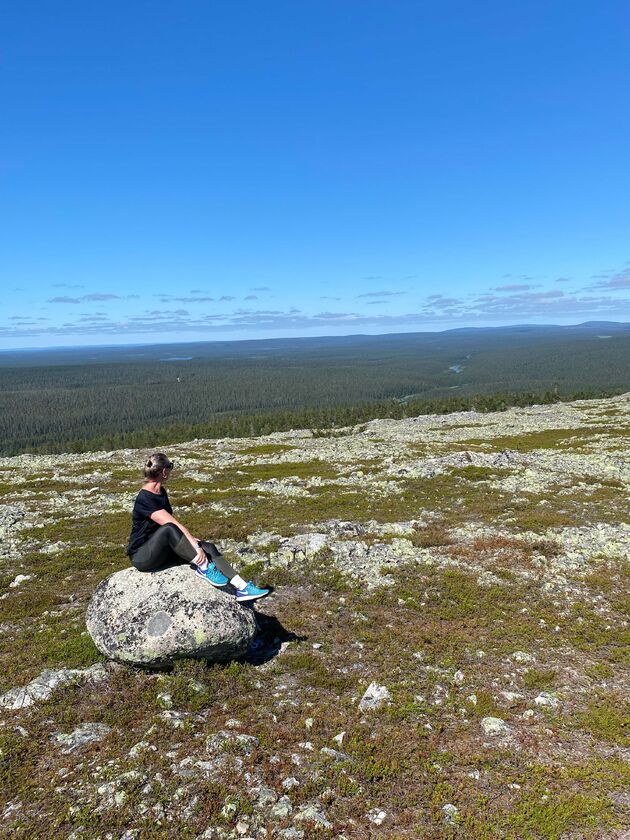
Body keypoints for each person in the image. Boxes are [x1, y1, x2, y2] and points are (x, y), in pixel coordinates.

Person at [127, 453, 269, 603]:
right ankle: (204, 568)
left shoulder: (161, 492)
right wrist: (194, 546)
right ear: (163, 471)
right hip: (142, 556)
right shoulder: (145, 498)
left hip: (162, 550)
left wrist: (196, 543)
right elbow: (172, 525)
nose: (171, 470)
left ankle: (243, 587)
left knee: (208, 547)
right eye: (170, 466)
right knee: (170, 529)